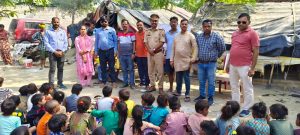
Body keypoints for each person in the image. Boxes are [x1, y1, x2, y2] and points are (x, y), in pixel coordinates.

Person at [229, 13, 260, 117]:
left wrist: (252, 68)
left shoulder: (253, 33)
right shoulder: (234, 33)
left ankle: (247, 108)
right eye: (239, 22)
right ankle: (235, 106)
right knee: (234, 87)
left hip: (245, 65)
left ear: (249, 22)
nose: (241, 24)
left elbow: (256, 51)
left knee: (247, 87)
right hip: (233, 65)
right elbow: (233, 48)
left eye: (243, 22)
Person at [194, 19, 225, 105]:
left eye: (209, 26)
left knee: (211, 81)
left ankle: (210, 97)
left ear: (211, 26)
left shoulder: (216, 36)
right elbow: (196, 48)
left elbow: (222, 48)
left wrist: (215, 56)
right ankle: (202, 95)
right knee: (201, 81)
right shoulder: (199, 37)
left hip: (211, 63)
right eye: (205, 26)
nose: (207, 28)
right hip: (201, 63)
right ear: (202, 27)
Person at [170, 19, 198, 102]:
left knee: (186, 78)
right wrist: (171, 60)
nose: (184, 25)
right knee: (178, 77)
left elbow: (195, 47)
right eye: (182, 24)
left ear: (187, 25)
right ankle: (178, 91)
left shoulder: (191, 36)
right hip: (177, 60)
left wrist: (193, 58)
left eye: (186, 24)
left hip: (187, 60)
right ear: (180, 25)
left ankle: (187, 94)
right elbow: (173, 49)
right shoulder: (176, 36)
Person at [44, 17, 69, 89]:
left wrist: (62, 51)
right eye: (55, 22)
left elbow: (65, 42)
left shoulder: (63, 32)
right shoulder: (48, 32)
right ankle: (51, 85)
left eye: (57, 22)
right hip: (52, 53)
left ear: (59, 22)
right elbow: (46, 43)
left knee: (60, 69)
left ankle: (60, 83)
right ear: (52, 22)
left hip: (61, 53)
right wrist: (54, 51)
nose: (56, 23)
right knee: (52, 69)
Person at [144, 14, 166, 93]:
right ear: (150, 21)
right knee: (150, 71)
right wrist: (149, 50)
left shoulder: (161, 31)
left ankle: (160, 87)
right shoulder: (147, 31)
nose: (154, 22)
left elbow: (162, 42)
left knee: (160, 71)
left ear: (158, 21)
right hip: (149, 53)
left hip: (158, 53)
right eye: (153, 20)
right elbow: (145, 42)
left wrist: (153, 49)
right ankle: (152, 85)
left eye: (156, 21)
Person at [94, 16, 118, 88]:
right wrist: (96, 51)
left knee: (111, 67)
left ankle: (113, 81)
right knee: (103, 67)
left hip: (110, 50)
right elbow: (96, 42)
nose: (104, 23)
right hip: (101, 51)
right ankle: (104, 82)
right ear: (100, 22)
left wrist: (115, 50)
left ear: (107, 22)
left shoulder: (112, 30)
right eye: (102, 21)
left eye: (105, 21)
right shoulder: (98, 31)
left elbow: (115, 41)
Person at [118, 19, 136, 89]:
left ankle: (132, 83)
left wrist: (133, 53)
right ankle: (125, 83)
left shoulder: (131, 33)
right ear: (121, 25)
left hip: (129, 54)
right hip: (122, 55)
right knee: (124, 69)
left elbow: (134, 43)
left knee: (131, 69)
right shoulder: (119, 33)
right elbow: (119, 43)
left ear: (128, 25)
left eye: (126, 24)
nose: (124, 25)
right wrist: (119, 53)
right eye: (123, 24)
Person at [164, 16, 180, 93]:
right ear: (170, 23)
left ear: (177, 23)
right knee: (170, 73)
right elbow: (166, 44)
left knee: (178, 73)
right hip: (168, 56)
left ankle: (178, 88)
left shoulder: (180, 33)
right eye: (172, 22)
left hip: (178, 57)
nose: (173, 23)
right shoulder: (166, 34)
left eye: (175, 22)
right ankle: (171, 87)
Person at [134, 21, 150, 90]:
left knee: (146, 70)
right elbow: (135, 43)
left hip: (146, 55)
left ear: (143, 25)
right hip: (138, 55)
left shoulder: (147, 33)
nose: (139, 26)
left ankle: (147, 84)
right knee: (140, 70)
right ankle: (142, 82)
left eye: (140, 25)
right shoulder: (136, 33)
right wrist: (134, 52)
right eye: (138, 25)